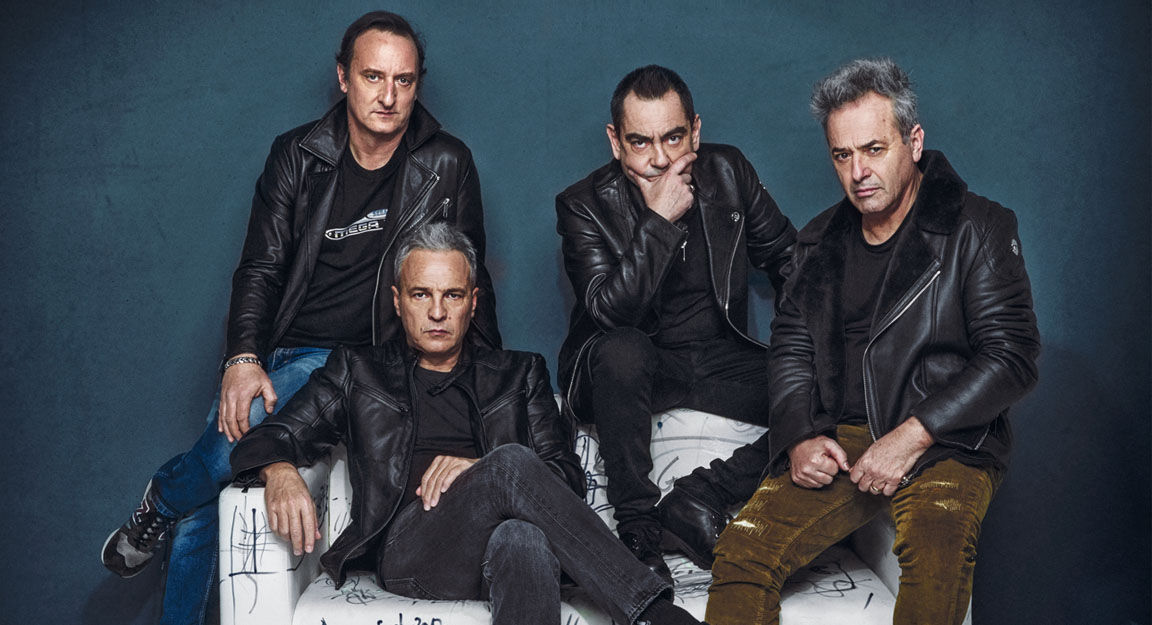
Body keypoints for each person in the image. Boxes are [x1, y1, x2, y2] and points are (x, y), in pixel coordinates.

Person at [100, 12, 499, 625]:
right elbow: (259, 267)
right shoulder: (297, 155)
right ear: (343, 77)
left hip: (382, 361)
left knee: (218, 464)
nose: (388, 96)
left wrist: (488, 386)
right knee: (220, 475)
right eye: (372, 76)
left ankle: (162, 498)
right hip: (298, 352)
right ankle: (172, 511)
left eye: (404, 80)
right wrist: (243, 358)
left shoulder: (447, 162)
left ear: (418, 85)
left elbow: (471, 279)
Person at [705, 58, 1040, 625]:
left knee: (936, 553)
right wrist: (799, 434)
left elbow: (1012, 357)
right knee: (743, 548)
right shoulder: (818, 243)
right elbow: (791, 348)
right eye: (842, 155)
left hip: (946, 439)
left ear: (914, 141)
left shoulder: (977, 227)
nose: (858, 171)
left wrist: (912, 435)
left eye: (874, 149)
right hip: (847, 439)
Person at [230, 222, 700, 625]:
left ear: (472, 303)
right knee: (509, 463)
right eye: (421, 294)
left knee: (522, 536)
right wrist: (280, 470)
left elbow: (564, 478)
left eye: (452, 295)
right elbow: (269, 436)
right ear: (398, 301)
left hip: (500, 546)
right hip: (411, 553)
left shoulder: (519, 373)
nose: (437, 312)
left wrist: (479, 472)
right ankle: (653, 613)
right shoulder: (359, 372)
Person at [555, 65, 795, 580]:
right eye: (640, 142)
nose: (660, 159)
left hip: (717, 359)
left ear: (696, 132)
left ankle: (699, 497)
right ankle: (639, 530)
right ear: (615, 142)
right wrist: (659, 222)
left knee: (831, 385)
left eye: (673, 138)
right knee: (624, 350)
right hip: (629, 368)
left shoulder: (728, 172)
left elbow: (790, 262)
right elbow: (609, 313)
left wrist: (813, 346)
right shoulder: (583, 205)